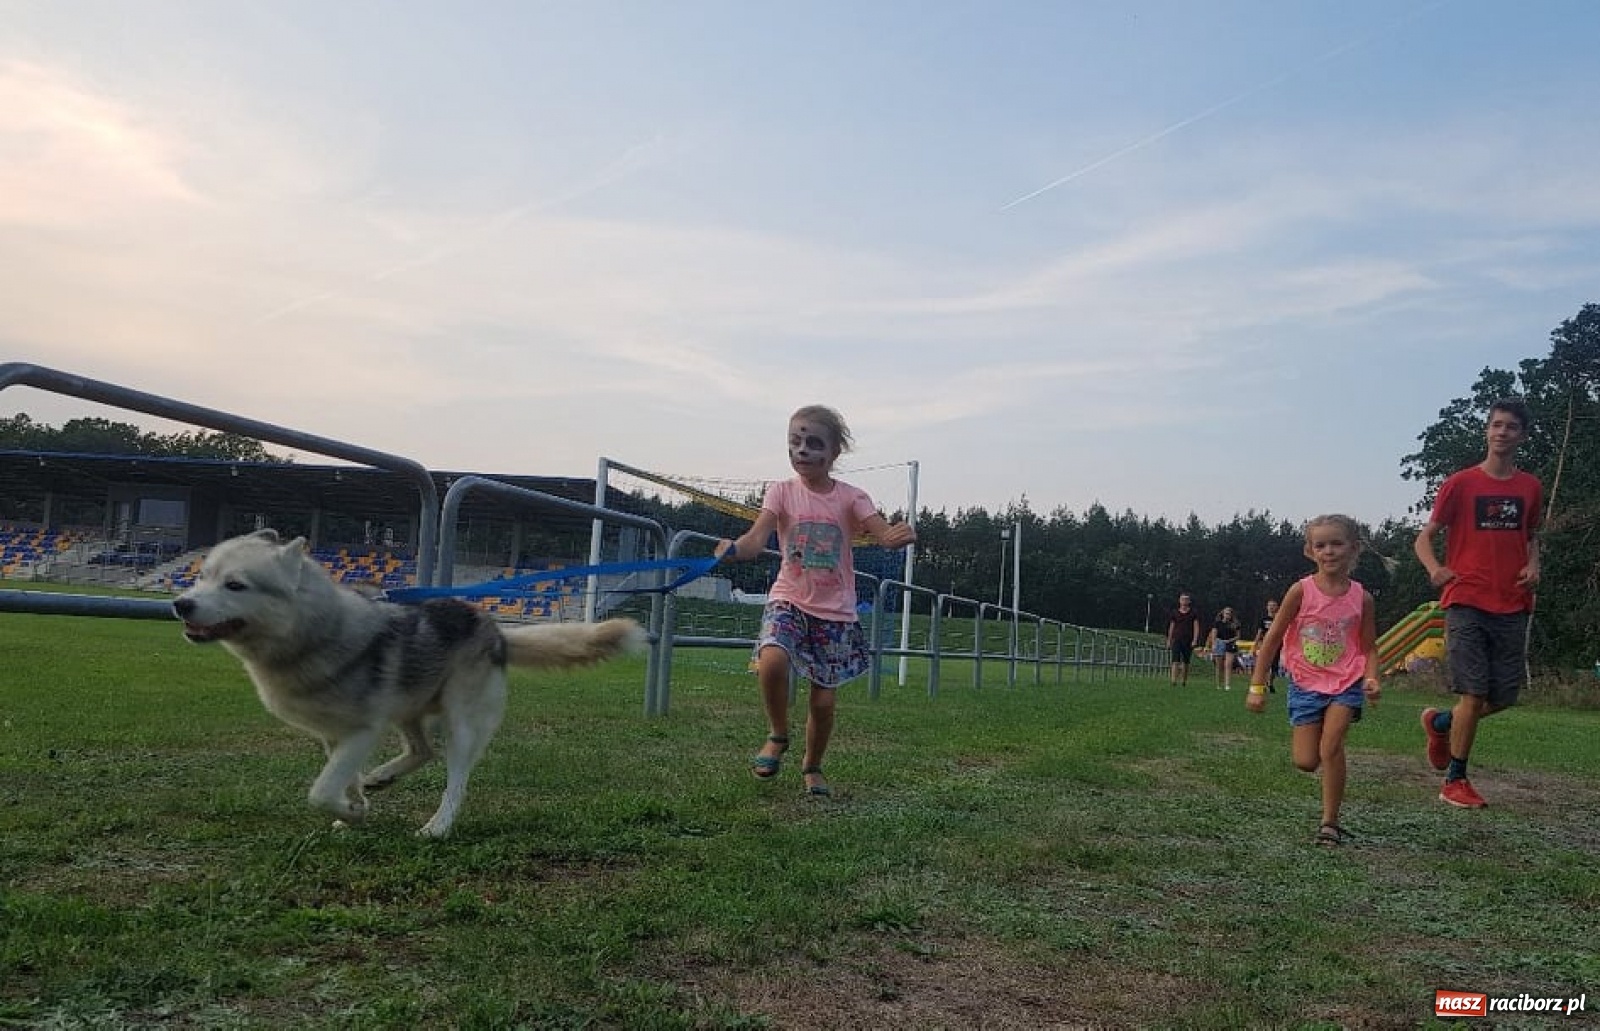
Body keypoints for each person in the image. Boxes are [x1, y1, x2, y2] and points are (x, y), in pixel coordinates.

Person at [715, 405, 916, 797]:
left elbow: (880, 531)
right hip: (789, 599)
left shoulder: (851, 497)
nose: (802, 450)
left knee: (823, 703)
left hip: (835, 611)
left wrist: (892, 536)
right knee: (772, 658)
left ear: (834, 452)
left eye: (813, 444)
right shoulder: (781, 492)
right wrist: (735, 549)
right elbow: (758, 538)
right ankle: (777, 734)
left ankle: (813, 765)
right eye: (795, 442)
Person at [1412, 398, 1542, 809]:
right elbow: (1424, 536)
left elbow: (1532, 535)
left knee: (1502, 697)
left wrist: (1534, 566)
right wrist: (1435, 568)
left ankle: (1440, 724)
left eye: (1511, 427)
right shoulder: (1461, 483)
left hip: (1513, 601)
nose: (1502, 432)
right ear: (1487, 431)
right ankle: (1455, 779)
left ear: (1521, 435)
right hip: (1466, 598)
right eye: (1496, 425)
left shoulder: (1530, 487)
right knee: (1473, 691)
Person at [1248, 514, 1381, 846]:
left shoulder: (1362, 598)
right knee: (1306, 761)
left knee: (1331, 746)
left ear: (1354, 548)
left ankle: (1330, 823)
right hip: (1305, 683)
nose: (1329, 551)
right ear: (1310, 551)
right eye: (1321, 545)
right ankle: (1324, 763)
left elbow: (1369, 647)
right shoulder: (1300, 591)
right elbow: (1273, 639)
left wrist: (1372, 677)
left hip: (1346, 681)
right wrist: (1257, 686)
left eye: (1337, 544)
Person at [1166, 593, 1201, 685]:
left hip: (1188, 639)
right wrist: (1169, 640)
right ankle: (1173, 680)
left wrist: (1195, 640)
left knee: (1186, 661)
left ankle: (1183, 681)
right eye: (1182, 599)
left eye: (1186, 599)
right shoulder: (1174, 613)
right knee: (1175, 660)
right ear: (1179, 601)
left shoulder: (1193, 613)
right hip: (1177, 638)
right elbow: (1171, 627)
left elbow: (1196, 627)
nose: (1184, 601)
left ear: (1189, 601)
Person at [1205, 606, 1241, 689]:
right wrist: (1214, 644)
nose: (1228, 615)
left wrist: (1230, 640)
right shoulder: (1217, 623)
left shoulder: (1235, 624)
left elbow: (1238, 636)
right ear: (1223, 614)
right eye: (1226, 613)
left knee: (1228, 664)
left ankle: (1227, 684)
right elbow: (1214, 634)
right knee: (1219, 665)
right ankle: (1218, 684)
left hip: (1230, 643)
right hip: (1219, 642)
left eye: (1229, 614)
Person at [1255, 598, 1282, 693]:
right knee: (1265, 665)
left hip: (1278, 644)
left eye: (1273, 605)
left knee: (1274, 666)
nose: (1271, 607)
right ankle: (1264, 684)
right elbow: (1259, 632)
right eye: (1269, 605)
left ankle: (1270, 683)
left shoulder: (1280, 619)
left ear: (1278, 607)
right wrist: (1256, 644)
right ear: (1266, 607)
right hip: (1265, 644)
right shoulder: (1263, 620)